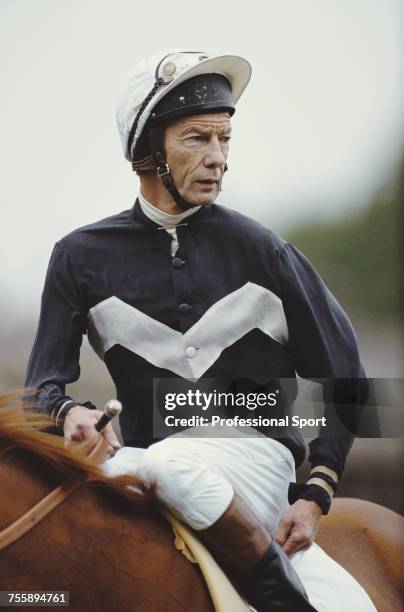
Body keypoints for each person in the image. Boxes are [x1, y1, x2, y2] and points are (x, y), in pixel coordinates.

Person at [26, 49, 376, 611]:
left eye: (224, 139)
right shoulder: (77, 258)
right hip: (144, 462)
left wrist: (317, 493)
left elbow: (348, 376)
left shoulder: (264, 249)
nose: (218, 158)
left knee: (166, 464)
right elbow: (39, 388)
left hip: (258, 462)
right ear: (147, 152)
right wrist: (71, 413)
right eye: (197, 139)